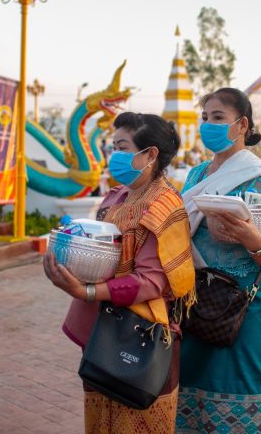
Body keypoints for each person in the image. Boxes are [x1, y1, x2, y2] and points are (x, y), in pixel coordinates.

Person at [44, 112, 195, 434]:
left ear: (150, 154)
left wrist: (87, 291)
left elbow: (153, 281)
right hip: (103, 331)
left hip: (139, 337)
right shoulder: (117, 195)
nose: (114, 156)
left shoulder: (165, 206)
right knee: (101, 420)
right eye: (113, 147)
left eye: (123, 148)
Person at [176, 87, 261, 434]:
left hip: (243, 309)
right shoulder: (197, 175)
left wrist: (249, 237)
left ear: (242, 125)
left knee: (238, 387)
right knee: (190, 391)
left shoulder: (260, 179)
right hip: (197, 300)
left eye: (218, 117)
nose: (208, 125)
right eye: (205, 118)